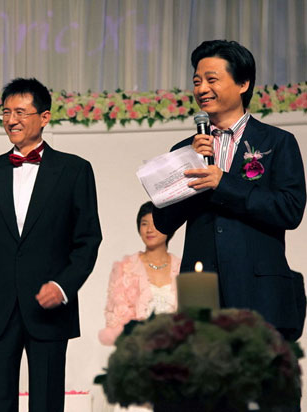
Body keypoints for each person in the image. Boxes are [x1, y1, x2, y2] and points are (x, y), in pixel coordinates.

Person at [0, 77, 102, 412]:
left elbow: (88, 240)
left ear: (44, 117)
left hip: (49, 309)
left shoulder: (75, 170)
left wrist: (63, 286)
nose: (11, 120)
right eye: (5, 113)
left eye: (20, 112)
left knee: (46, 404)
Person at [152, 39, 306, 344]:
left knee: (259, 384)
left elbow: (289, 209)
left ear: (243, 83)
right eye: (197, 81)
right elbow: (162, 222)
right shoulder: (184, 150)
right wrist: (187, 166)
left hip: (259, 289)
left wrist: (224, 183)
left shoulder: (277, 142)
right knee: (206, 386)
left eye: (212, 79)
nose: (201, 89)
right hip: (201, 290)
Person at [99, 201, 180, 346]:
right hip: (137, 351)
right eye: (144, 224)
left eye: (155, 223)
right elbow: (115, 319)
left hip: (176, 350)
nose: (149, 229)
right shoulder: (126, 268)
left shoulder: (181, 268)